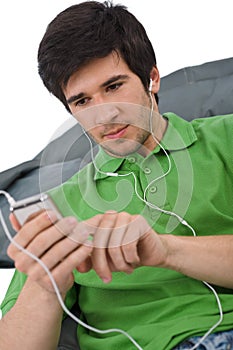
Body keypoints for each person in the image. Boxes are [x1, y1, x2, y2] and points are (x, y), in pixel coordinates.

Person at [0, 1, 233, 349]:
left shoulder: (225, 139)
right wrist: (47, 285)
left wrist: (166, 249)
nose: (104, 116)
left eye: (113, 87)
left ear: (152, 78)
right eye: (82, 102)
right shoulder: (60, 207)